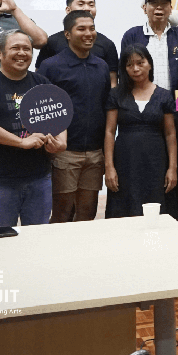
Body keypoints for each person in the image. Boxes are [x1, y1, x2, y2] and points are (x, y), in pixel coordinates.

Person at [0, 31, 67, 227]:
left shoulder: (41, 83)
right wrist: (21, 142)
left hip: (39, 177)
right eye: (15, 48)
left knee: (38, 236)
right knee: (3, 236)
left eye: (27, 49)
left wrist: (61, 142)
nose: (22, 53)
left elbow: (57, 118)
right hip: (0, 180)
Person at [121, 0, 178, 221]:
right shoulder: (132, 34)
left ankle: (175, 212)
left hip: (176, 111)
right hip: (143, 111)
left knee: (176, 163)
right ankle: (138, 212)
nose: (159, 8)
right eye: (153, 4)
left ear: (171, 9)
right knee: (145, 162)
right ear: (145, 8)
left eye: (164, 4)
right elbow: (125, 73)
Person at [38, 11, 110, 222]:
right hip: (64, 152)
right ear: (67, 34)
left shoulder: (102, 66)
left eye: (92, 28)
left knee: (88, 213)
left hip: (95, 153)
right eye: (81, 29)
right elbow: (41, 109)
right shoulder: (51, 66)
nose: (88, 33)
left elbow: (104, 106)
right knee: (62, 213)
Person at [103, 45, 177, 218]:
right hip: (125, 162)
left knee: (156, 209)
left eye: (140, 63)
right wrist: (109, 167)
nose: (135, 69)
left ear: (149, 64)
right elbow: (109, 131)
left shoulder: (165, 95)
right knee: (123, 209)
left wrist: (172, 168)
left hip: (156, 162)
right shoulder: (116, 94)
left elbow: (170, 134)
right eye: (129, 65)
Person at [36, 0, 119, 87]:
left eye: (91, 5)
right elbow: (39, 81)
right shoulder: (52, 42)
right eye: (81, 4)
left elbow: (112, 84)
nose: (87, 8)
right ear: (68, 9)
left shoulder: (106, 46)